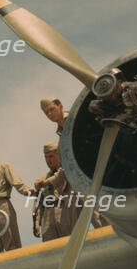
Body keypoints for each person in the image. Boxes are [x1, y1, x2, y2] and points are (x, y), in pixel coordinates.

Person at [38, 97, 109, 228]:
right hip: (84, 182)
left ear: (60, 105)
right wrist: (48, 182)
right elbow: (66, 168)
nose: (49, 114)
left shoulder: (79, 119)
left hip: (102, 175)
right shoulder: (61, 144)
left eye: (51, 109)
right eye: (46, 113)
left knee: (108, 217)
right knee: (97, 221)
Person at [33, 142, 80, 241]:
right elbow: (38, 203)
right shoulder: (43, 179)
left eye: (51, 156)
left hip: (66, 212)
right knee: (50, 250)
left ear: (58, 155)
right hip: (48, 217)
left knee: (69, 244)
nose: (48, 160)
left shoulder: (68, 173)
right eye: (46, 157)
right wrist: (36, 223)